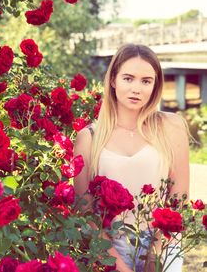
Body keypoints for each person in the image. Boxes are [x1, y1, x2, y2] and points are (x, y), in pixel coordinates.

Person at [73, 44, 189, 272]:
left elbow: (179, 201)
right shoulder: (89, 138)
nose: (137, 88)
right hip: (109, 247)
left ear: (155, 85)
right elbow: (84, 213)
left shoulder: (170, 127)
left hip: (164, 244)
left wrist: (155, 258)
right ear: (114, 80)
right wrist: (118, 263)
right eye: (128, 78)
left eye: (146, 81)